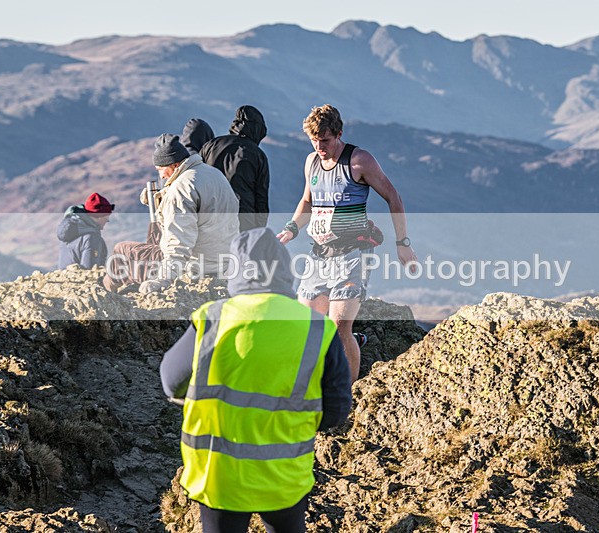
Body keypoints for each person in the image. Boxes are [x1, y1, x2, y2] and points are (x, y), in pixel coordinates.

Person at [159, 227, 352, 533]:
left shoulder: (213, 318)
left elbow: (171, 382)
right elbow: (336, 411)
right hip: (285, 476)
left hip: (218, 475)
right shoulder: (316, 327)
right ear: (284, 269)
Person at [277, 104, 418, 382]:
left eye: (325, 140)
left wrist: (402, 242)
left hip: (353, 253)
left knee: (340, 325)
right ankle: (314, 388)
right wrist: (291, 229)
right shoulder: (311, 161)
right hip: (319, 255)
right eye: (314, 140)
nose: (320, 146)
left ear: (338, 134)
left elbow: (394, 197)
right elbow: (308, 201)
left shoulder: (359, 160)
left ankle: (348, 397)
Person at [103, 134, 239, 293]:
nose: (161, 175)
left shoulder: (181, 190)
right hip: (223, 261)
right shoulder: (213, 174)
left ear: (174, 165)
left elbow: (178, 242)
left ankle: (107, 291)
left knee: (123, 249)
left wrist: (163, 279)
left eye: (161, 169)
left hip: (196, 266)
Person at [200, 105, 270, 232]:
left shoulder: (211, 146)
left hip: (211, 219)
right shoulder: (258, 155)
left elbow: (197, 180)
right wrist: (259, 231)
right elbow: (261, 198)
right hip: (244, 223)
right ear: (257, 129)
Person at [57, 192, 115, 270]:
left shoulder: (70, 233)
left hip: (64, 281)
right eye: (106, 217)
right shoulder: (91, 238)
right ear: (99, 217)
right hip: (81, 281)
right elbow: (90, 272)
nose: (107, 221)